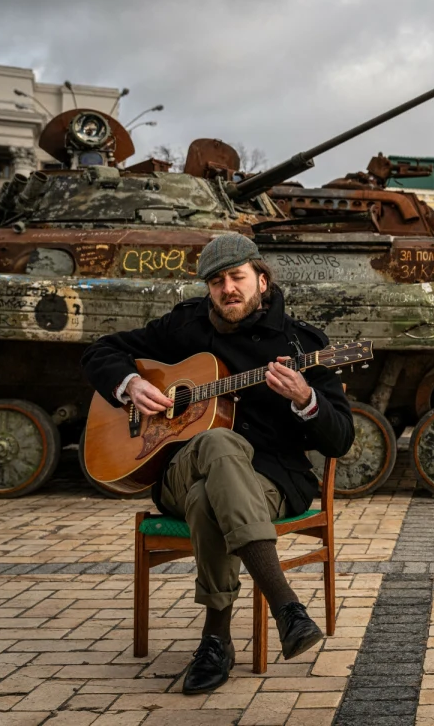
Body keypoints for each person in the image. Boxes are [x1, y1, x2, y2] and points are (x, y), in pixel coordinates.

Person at [81, 233, 355, 694]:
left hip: (269, 482)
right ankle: (285, 604)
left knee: (210, 491)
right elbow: (99, 351)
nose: (227, 288)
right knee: (218, 443)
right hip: (176, 469)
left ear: (261, 280)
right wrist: (130, 385)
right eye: (216, 281)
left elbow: (341, 439)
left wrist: (306, 398)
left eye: (237, 277)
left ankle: (216, 640)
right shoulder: (186, 328)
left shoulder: (302, 345)